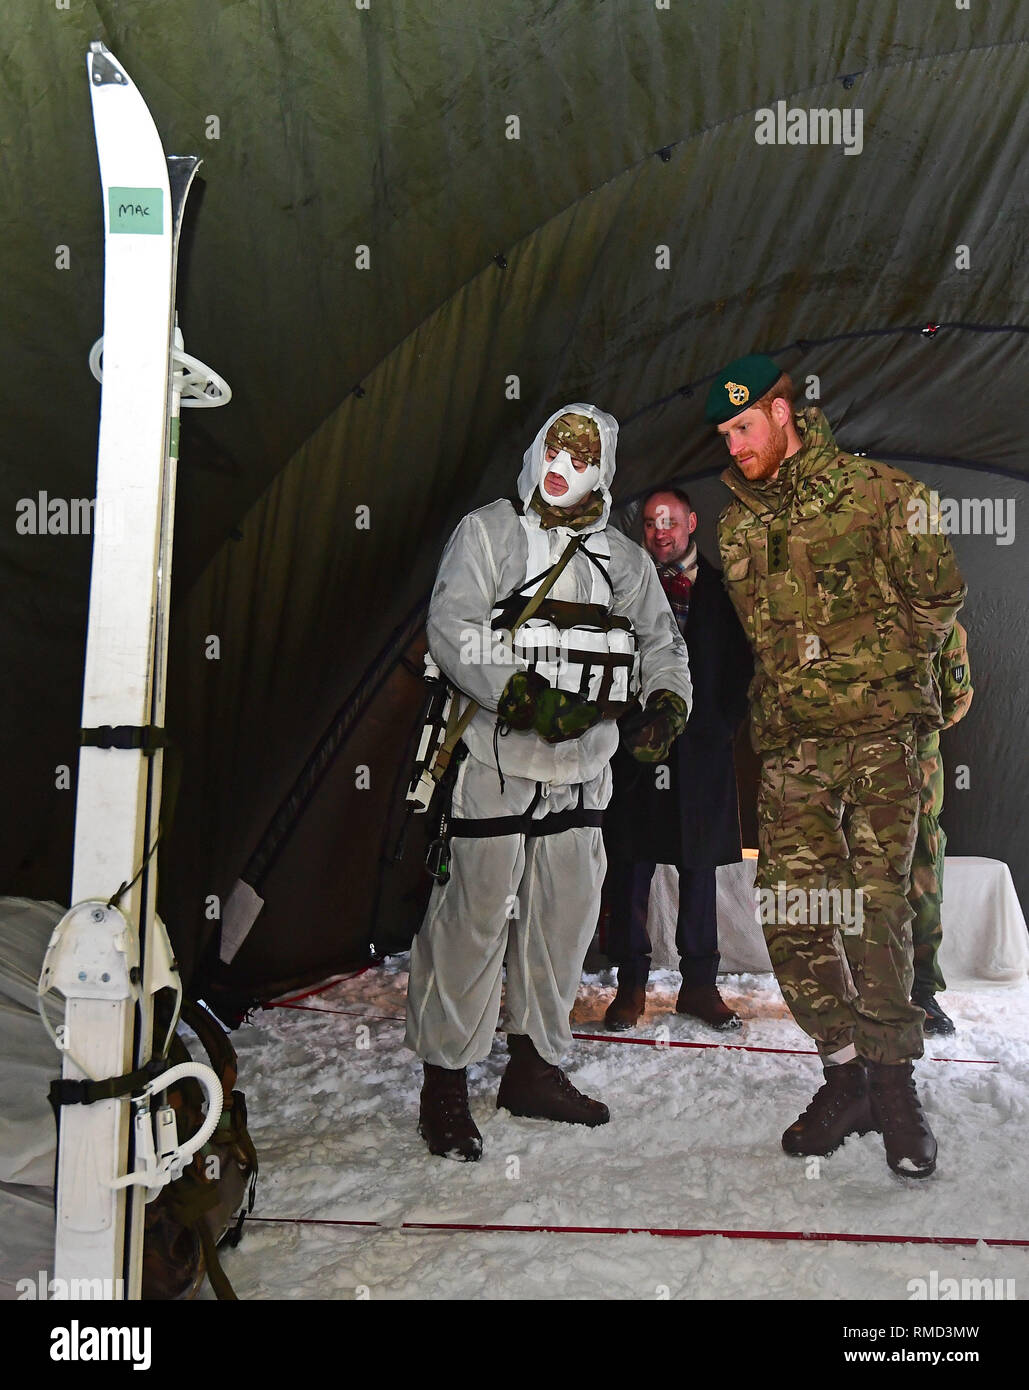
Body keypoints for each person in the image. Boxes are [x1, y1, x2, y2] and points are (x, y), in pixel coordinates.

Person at [405, 405, 693, 1160]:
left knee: (561, 926)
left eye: (583, 452)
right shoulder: (489, 533)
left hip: (584, 775)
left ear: (604, 466)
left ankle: (533, 1068)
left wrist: (666, 702)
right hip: (496, 763)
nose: (565, 462)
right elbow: (456, 627)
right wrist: (522, 695)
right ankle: (445, 1084)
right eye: (557, 446)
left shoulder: (623, 560)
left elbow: (660, 640)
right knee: (469, 925)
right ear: (538, 449)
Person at [710, 353, 966, 1179]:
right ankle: (844, 1073)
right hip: (792, 751)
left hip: (879, 743)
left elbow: (938, 600)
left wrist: (872, 684)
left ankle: (894, 1092)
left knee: (875, 911)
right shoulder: (736, 527)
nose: (733, 442)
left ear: (783, 414)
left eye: (744, 426)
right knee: (789, 912)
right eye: (723, 431)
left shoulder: (886, 496)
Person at [602, 487, 752, 1030]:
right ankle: (631, 988)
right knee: (630, 871)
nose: (659, 532)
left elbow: (743, 668)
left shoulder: (727, 589)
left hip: (703, 753)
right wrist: (625, 732)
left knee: (699, 872)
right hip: (638, 756)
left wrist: (719, 729)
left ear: (692, 522)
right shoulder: (624, 588)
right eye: (648, 523)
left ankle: (699, 988)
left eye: (669, 521)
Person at [909, 620, 973, 1035]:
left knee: (922, 884)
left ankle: (921, 991)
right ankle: (858, 989)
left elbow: (957, 699)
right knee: (852, 883)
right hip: (854, 774)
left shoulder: (942, 625)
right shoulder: (848, 610)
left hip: (918, 775)